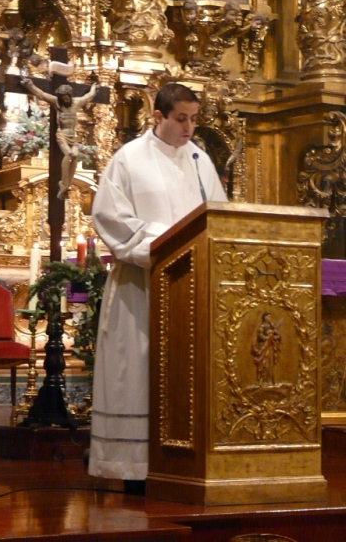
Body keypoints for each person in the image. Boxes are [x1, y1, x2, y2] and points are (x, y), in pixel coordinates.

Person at [88, 83, 227, 494]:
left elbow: (218, 216)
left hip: (189, 289)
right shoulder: (129, 159)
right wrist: (166, 244)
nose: (188, 128)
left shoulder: (202, 162)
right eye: (180, 119)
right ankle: (133, 470)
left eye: (194, 119)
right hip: (141, 288)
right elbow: (110, 217)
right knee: (139, 375)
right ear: (159, 116)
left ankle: (182, 463)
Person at [20, 77, 98, 199]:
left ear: (70, 95)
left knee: (76, 157)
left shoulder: (76, 103)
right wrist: (30, 85)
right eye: (62, 96)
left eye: (66, 96)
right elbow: (42, 95)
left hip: (73, 135)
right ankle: (63, 185)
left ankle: (66, 185)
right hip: (62, 134)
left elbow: (88, 97)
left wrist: (93, 89)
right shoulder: (57, 103)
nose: (65, 98)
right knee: (69, 155)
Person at [251, 312, 282, 386]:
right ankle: (262, 381)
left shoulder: (271, 326)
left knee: (270, 364)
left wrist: (275, 335)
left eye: (270, 317)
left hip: (270, 347)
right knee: (264, 364)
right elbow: (260, 336)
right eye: (268, 317)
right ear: (264, 318)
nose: (270, 319)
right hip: (264, 347)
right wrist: (268, 337)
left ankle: (271, 381)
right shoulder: (261, 327)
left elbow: (278, 335)